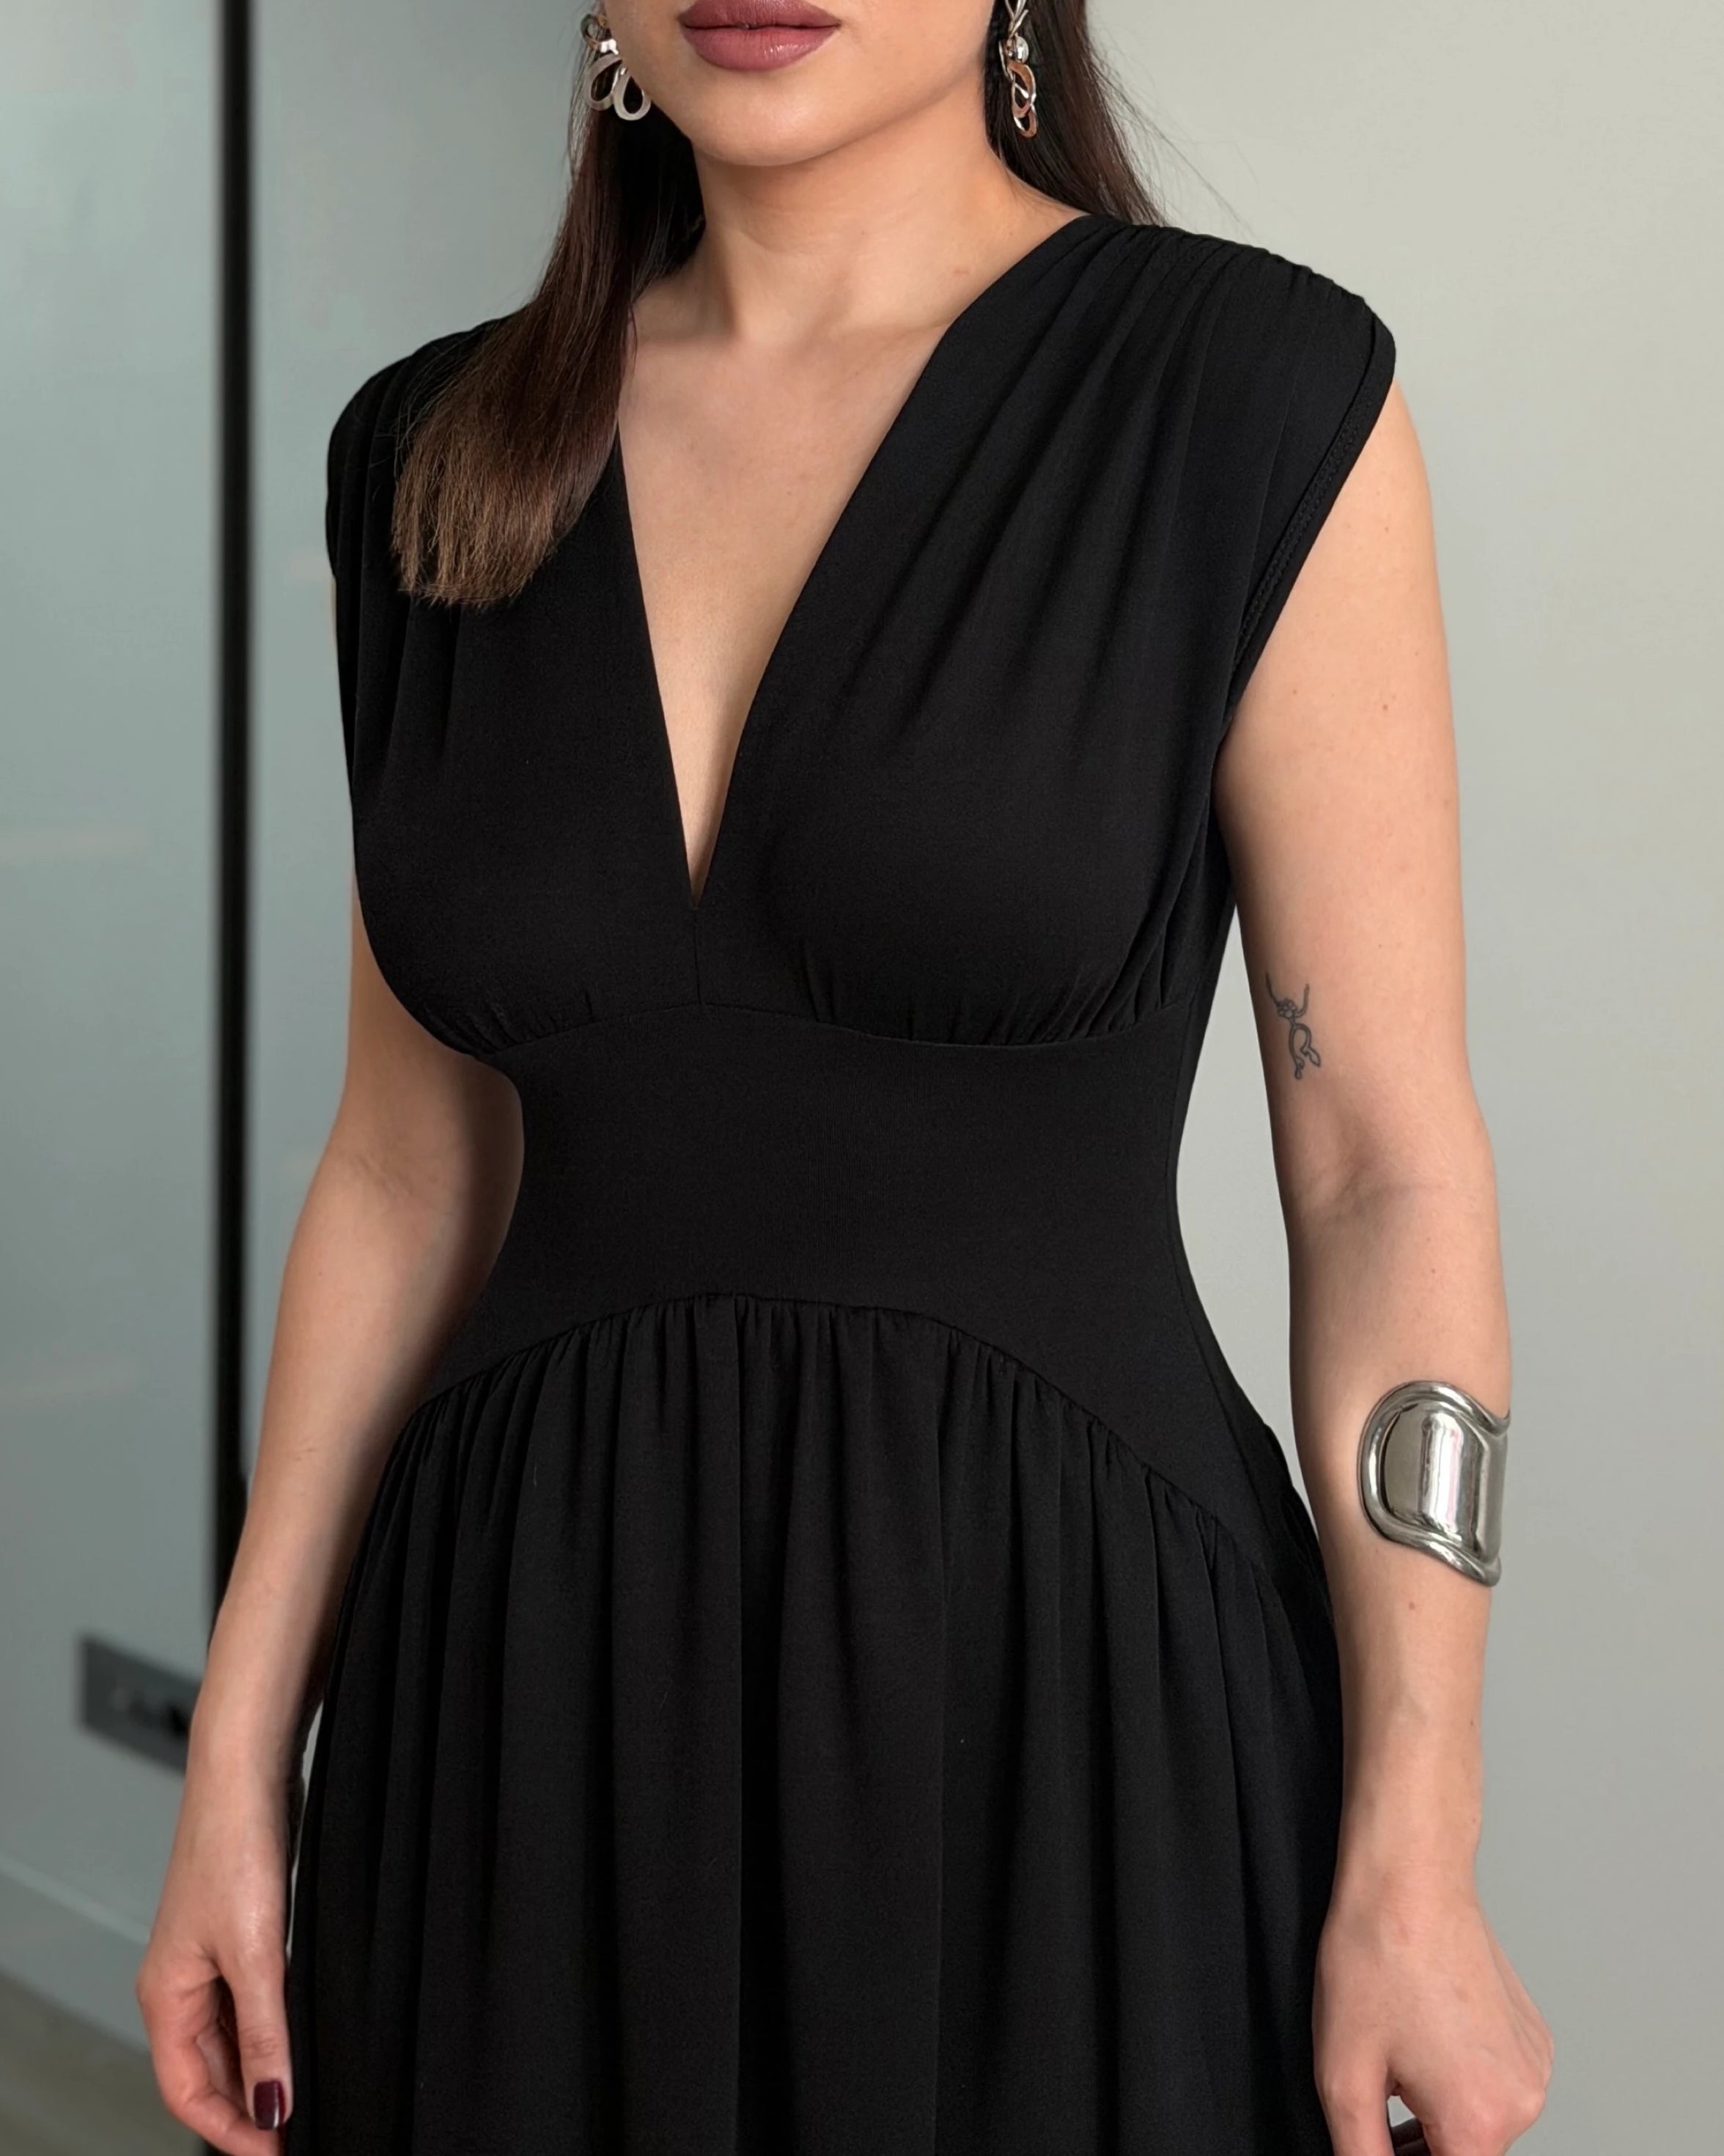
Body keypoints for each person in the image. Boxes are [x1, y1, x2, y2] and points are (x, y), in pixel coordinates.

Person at [137, 3, 1553, 2151]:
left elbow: (1383, 1172)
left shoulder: (1245, 398)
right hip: (516, 1704)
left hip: (1061, 1701)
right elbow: (408, 1168)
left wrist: (1417, 1844)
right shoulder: (430, 452)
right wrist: (241, 1760)